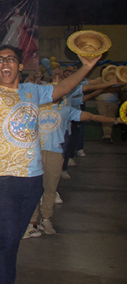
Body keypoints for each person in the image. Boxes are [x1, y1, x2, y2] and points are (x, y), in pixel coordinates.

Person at [0, 45, 98, 284]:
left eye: (11, 59)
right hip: (1, 178)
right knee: (7, 238)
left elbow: (63, 88)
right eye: (0, 60)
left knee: (12, 240)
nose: (5, 64)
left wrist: (87, 66)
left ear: (19, 65)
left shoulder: (32, 91)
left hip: (33, 178)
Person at [24, 77, 120, 238]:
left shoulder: (66, 110)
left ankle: (46, 219)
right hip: (35, 154)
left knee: (50, 189)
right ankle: (31, 223)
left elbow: (92, 117)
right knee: (33, 189)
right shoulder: (34, 108)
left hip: (54, 154)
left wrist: (116, 120)